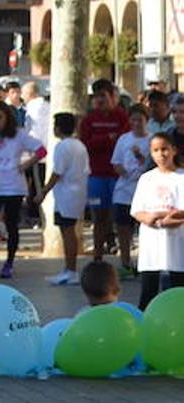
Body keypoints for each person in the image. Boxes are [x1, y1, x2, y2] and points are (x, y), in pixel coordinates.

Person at [0, 102, 45, 279]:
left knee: (11, 223)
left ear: (7, 118)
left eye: (0, 117)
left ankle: (9, 262)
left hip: (13, 185)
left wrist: (26, 164)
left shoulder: (20, 135)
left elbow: (41, 150)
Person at [32, 113, 89, 286]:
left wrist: (43, 192)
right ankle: (68, 268)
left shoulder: (62, 147)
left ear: (58, 127)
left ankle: (71, 270)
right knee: (67, 231)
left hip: (66, 195)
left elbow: (57, 172)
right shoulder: (80, 145)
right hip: (77, 193)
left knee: (68, 231)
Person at [130, 132, 184, 309]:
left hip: (177, 242)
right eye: (156, 150)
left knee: (178, 288)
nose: (161, 154)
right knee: (148, 289)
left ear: (174, 150)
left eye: (165, 149)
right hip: (152, 244)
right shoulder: (147, 178)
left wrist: (162, 217)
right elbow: (138, 210)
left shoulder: (181, 177)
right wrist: (153, 219)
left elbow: (180, 211)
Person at [81, 78, 130, 265]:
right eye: (96, 96)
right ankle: (97, 258)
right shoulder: (89, 120)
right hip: (96, 176)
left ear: (113, 97)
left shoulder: (122, 117)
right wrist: (107, 139)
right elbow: (86, 145)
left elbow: (124, 142)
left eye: (104, 96)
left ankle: (125, 261)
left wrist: (103, 141)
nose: (100, 100)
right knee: (98, 217)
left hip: (119, 177)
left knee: (121, 218)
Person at [110, 105, 154, 277]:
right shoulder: (123, 139)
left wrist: (139, 157)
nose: (136, 123)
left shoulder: (152, 140)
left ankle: (144, 264)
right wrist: (123, 171)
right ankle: (126, 263)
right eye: (133, 120)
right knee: (123, 228)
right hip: (124, 190)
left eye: (140, 120)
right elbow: (116, 162)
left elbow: (150, 163)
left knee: (144, 230)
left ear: (146, 120)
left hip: (144, 191)